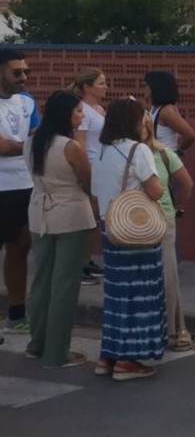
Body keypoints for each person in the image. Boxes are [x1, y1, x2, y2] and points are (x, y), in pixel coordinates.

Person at [90, 97, 165, 380]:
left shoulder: (102, 151)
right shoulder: (138, 151)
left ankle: (108, 354)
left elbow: (96, 190)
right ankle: (128, 361)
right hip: (136, 232)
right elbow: (155, 191)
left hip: (111, 226)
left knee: (117, 294)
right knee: (140, 294)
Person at [22, 90, 93, 368]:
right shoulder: (70, 146)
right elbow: (86, 182)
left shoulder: (32, 142)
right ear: (66, 114)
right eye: (77, 110)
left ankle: (36, 344)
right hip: (71, 212)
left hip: (39, 211)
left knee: (42, 281)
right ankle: (56, 352)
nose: (82, 115)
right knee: (64, 284)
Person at [140, 112, 194, 352]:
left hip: (163, 220)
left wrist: (176, 207)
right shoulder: (125, 152)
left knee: (168, 274)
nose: (144, 125)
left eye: (146, 121)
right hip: (135, 221)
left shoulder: (162, 153)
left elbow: (187, 183)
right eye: (139, 122)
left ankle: (175, 328)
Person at [0, 49, 38, 332]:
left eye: (25, 71)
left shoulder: (27, 101)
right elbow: (2, 148)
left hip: (25, 185)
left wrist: (21, 146)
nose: (23, 77)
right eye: (17, 72)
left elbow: (38, 136)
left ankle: (16, 313)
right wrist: (25, 146)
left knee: (20, 249)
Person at [69, 67, 106, 285]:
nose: (105, 87)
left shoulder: (99, 109)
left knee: (95, 219)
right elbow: (80, 142)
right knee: (88, 218)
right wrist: (84, 169)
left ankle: (87, 259)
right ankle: (79, 264)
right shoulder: (82, 110)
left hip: (101, 165)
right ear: (87, 87)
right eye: (100, 83)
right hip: (91, 164)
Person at [142, 71, 195, 156]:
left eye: (145, 86)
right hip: (156, 157)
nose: (143, 89)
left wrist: (178, 152)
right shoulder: (153, 108)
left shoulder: (166, 111)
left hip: (166, 160)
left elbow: (190, 135)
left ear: (155, 87)